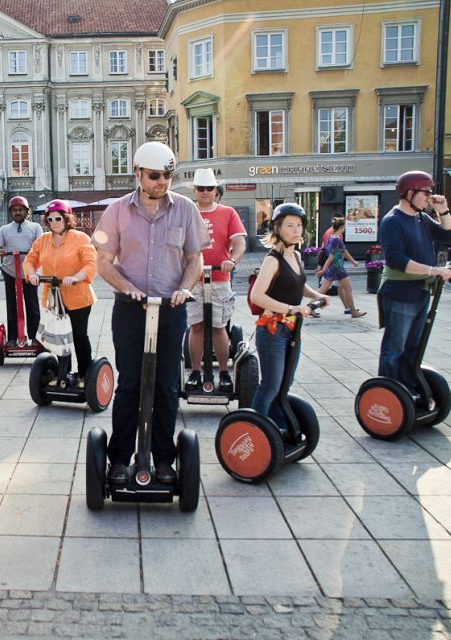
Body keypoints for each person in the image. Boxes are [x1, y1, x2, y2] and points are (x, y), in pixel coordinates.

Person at [92, 141, 207, 486]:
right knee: (129, 385)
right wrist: (126, 286)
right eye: (155, 176)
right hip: (130, 309)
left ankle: (164, 461)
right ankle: (119, 460)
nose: (162, 182)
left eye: (168, 176)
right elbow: (102, 262)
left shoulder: (186, 209)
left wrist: (186, 288)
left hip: (171, 309)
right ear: (138, 173)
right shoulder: (116, 212)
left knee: (167, 388)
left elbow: (194, 259)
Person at [248, 203, 330, 431]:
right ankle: (254, 431)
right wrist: (290, 308)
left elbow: (297, 285)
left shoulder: (295, 255)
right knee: (271, 385)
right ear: (277, 228)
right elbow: (257, 296)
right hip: (272, 330)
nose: (296, 230)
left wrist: (317, 295)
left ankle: (275, 428)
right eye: (290, 226)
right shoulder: (272, 260)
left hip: (291, 329)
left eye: (299, 226)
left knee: (284, 384)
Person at [377, 171, 451, 395]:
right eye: (425, 192)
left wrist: (444, 211)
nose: (429, 197)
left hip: (420, 291)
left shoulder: (421, 218)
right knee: (395, 348)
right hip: (400, 292)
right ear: (409, 193)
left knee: (414, 346)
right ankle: (388, 394)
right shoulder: (393, 221)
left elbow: (449, 238)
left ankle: (408, 390)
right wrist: (433, 270)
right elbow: (396, 259)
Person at [183, 167, 246, 394]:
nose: (205, 192)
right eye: (201, 188)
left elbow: (239, 243)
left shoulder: (227, 213)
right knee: (196, 326)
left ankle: (223, 372)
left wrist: (233, 260)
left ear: (216, 190)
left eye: (209, 188)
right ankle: (196, 372)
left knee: (219, 327)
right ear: (196, 191)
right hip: (193, 279)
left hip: (219, 277)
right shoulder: (188, 212)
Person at [24, 199, 97, 383]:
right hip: (53, 298)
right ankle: (64, 374)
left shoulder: (80, 238)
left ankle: (84, 374)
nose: (54, 222)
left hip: (78, 296)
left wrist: (76, 277)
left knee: (79, 335)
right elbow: (30, 260)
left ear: (67, 218)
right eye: (50, 219)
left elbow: (91, 263)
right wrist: (32, 274)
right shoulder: (43, 240)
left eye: (58, 218)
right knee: (58, 337)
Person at [0, 196, 43, 343]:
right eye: (14, 210)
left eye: (20, 210)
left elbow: (40, 246)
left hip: (30, 272)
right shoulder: (5, 229)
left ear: (26, 211)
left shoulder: (35, 227)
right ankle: (13, 338)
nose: (17, 212)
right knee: (12, 305)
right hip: (10, 271)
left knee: (32, 305)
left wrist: (34, 251)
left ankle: (34, 337)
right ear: (10, 212)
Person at [315, 218, 366, 318]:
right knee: (348, 289)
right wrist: (323, 270)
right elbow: (331, 256)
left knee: (323, 289)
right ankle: (353, 312)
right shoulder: (337, 240)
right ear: (342, 227)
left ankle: (309, 308)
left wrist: (352, 261)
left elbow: (342, 251)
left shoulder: (332, 237)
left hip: (333, 268)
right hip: (338, 268)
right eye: (344, 227)